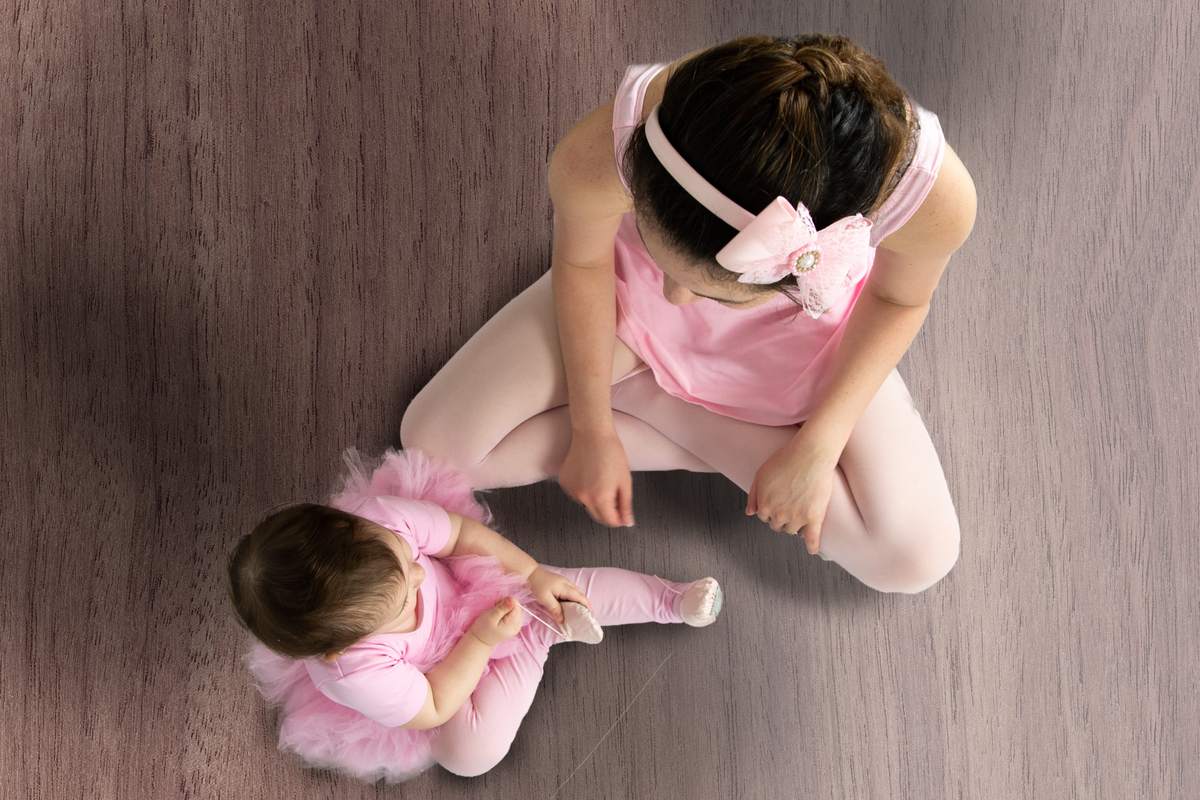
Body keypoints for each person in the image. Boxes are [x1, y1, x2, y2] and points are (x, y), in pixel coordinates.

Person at [401, 34, 976, 595]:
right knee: (433, 446)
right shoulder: (608, 146)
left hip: (805, 337)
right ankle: (682, 403)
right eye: (659, 253)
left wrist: (817, 447)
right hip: (622, 304)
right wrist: (592, 426)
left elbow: (899, 299)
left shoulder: (933, 196)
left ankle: (656, 395)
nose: (677, 296)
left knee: (917, 558)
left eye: (714, 292)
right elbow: (583, 265)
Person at [228, 449, 722, 782]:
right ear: (342, 646)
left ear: (354, 525)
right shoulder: (353, 671)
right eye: (403, 602)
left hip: (469, 583)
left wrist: (530, 574)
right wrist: (483, 641)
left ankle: (668, 600)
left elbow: (461, 537)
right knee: (467, 754)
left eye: (406, 563)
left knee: (558, 584)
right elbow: (438, 703)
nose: (420, 578)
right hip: (443, 674)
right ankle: (536, 638)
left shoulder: (381, 522)